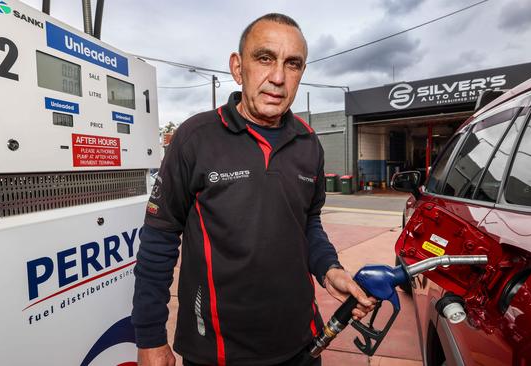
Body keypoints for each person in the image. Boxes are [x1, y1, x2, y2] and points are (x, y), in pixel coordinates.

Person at [132, 13, 375, 366]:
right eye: (265, 58)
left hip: (302, 344)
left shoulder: (309, 143)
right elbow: (159, 241)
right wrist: (150, 338)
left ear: (301, 73)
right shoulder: (195, 138)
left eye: (292, 64)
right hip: (215, 350)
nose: (278, 77)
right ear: (237, 66)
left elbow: (308, 224)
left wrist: (329, 269)